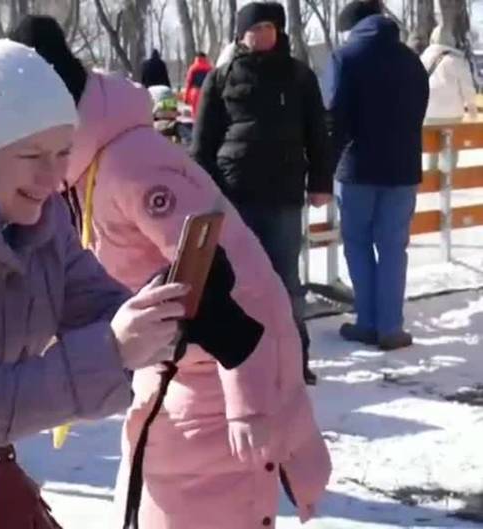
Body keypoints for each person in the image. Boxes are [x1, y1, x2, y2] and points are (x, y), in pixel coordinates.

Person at [11, 15, 331, 529]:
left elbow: (235, 273)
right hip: (173, 366)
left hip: (218, 375)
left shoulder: (130, 167)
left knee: (201, 505)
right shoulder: (82, 168)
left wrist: (247, 399)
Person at [0, 39, 188, 528]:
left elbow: (93, 300)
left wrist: (164, 307)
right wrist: (113, 351)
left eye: (63, 153)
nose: (55, 176)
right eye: (32, 154)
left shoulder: (39, 216)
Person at [192, 2, 331, 385]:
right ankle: (243, 360)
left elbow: (318, 133)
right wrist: (202, 194)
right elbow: (202, 144)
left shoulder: (299, 76)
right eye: (255, 28)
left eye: (269, 27)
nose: (262, 34)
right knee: (236, 279)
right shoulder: (219, 80)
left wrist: (321, 183)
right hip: (233, 195)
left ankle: (294, 357)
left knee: (286, 279)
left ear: (279, 32)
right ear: (240, 35)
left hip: (284, 195)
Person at [325, 0, 429, 350]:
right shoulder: (411, 60)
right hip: (403, 167)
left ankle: (367, 322)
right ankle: (391, 326)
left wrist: (325, 164)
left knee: (357, 243)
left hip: (357, 168)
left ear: (353, 26)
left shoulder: (346, 58)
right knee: (393, 247)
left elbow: (334, 116)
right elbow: (419, 111)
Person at [422, 26, 478, 125]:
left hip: (428, 112)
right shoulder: (458, 60)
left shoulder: (422, 58)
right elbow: (467, 89)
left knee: (429, 138)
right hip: (453, 113)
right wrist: (472, 112)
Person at [183, 52, 213, 120]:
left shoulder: (193, 68)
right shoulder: (210, 68)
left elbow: (188, 82)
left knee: (195, 115)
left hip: (195, 92)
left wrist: (186, 97)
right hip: (207, 91)